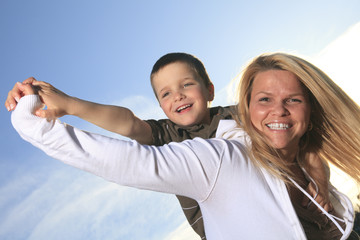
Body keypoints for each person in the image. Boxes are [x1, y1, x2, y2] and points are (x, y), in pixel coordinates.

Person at [7, 53, 346, 238]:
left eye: (187, 84)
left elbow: (302, 141)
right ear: (160, 105)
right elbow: (127, 124)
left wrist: (318, 168)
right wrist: (69, 104)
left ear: (209, 89)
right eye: (166, 93)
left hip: (297, 211)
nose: (178, 95)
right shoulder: (166, 135)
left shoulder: (238, 115)